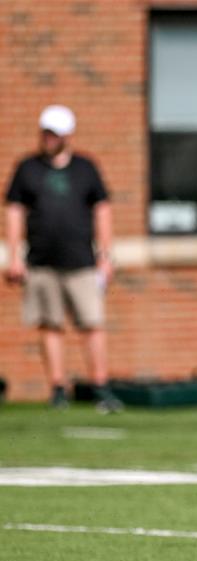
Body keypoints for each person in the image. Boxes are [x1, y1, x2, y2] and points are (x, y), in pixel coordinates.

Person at [3, 104, 123, 413]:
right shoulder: (27, 168)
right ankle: (58, 388)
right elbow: (15, 211)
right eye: (45, 132)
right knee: (50, 325)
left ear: (67, 135)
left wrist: (105, 257)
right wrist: (14, 256)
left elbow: (102, 210)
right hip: (42, 261)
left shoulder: (85, 168)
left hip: (82, 261)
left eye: (54, 133)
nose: (48, 138)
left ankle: (100, 386)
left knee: (92, 323)